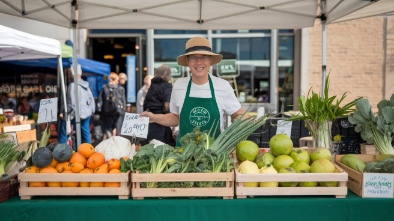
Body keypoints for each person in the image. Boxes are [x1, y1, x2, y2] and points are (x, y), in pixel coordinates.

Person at [141, 36, 244, 147]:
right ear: (187, 61)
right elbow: (176, 118)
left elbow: (238, 114)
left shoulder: (222, 86)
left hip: (213, 157)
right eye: (193, 57)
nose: (199, 62)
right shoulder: (178, 85)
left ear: (210, 60)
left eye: (204, 57)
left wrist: (243, 124)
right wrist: (154, 118)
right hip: (183, 157)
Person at [58, 64, 96, 146]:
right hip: (87, 112)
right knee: (85, 131)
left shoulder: (72, 85)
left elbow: (71, 103)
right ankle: (88, 150)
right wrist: (91, 110)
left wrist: (64, 112)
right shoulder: (86, 85)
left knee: (64, 128)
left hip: (76, 113)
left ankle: (61, 149)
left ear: (72, 73)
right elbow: (91, 99)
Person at [143, 65, 175, 146]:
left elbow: (146, 104)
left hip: (150, 123)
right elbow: (167, 105)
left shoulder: (152, 86)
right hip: (162, 123)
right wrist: (171, 116)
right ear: (166, 75)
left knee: (151, 148)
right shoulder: (167, 86)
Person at [97, 72, 126, 140]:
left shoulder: (104, 88)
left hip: (107, 112)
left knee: (107, 128)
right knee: (117, 128)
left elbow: (100, 101)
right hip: (118, 112)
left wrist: (99, 111)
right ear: (116, 79)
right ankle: (116, 142)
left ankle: (108, 141)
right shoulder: (120, 88)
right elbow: (123, 101)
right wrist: (123, 111)